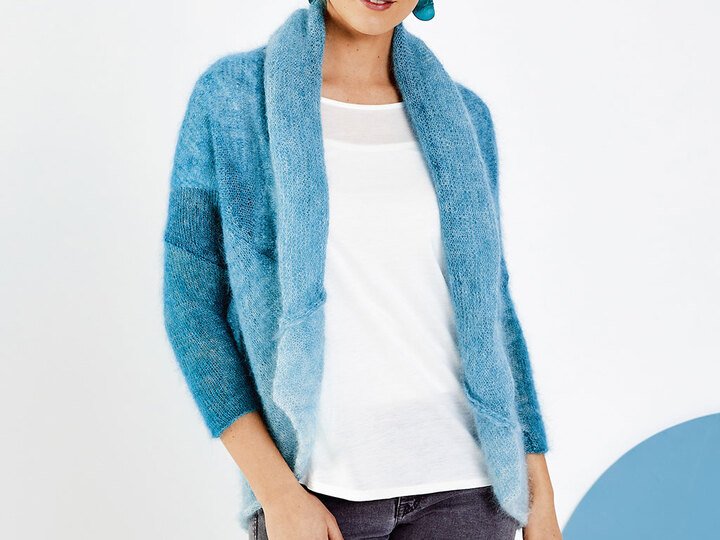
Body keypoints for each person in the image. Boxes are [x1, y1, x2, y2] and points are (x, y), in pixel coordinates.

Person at [162, 0, 562, 538]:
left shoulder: (467, 118)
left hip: (471, 491)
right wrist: (276, 493)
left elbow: (495, 312)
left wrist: (539, 493)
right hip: (319, 494)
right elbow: (191, 307)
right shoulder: (232, 99)